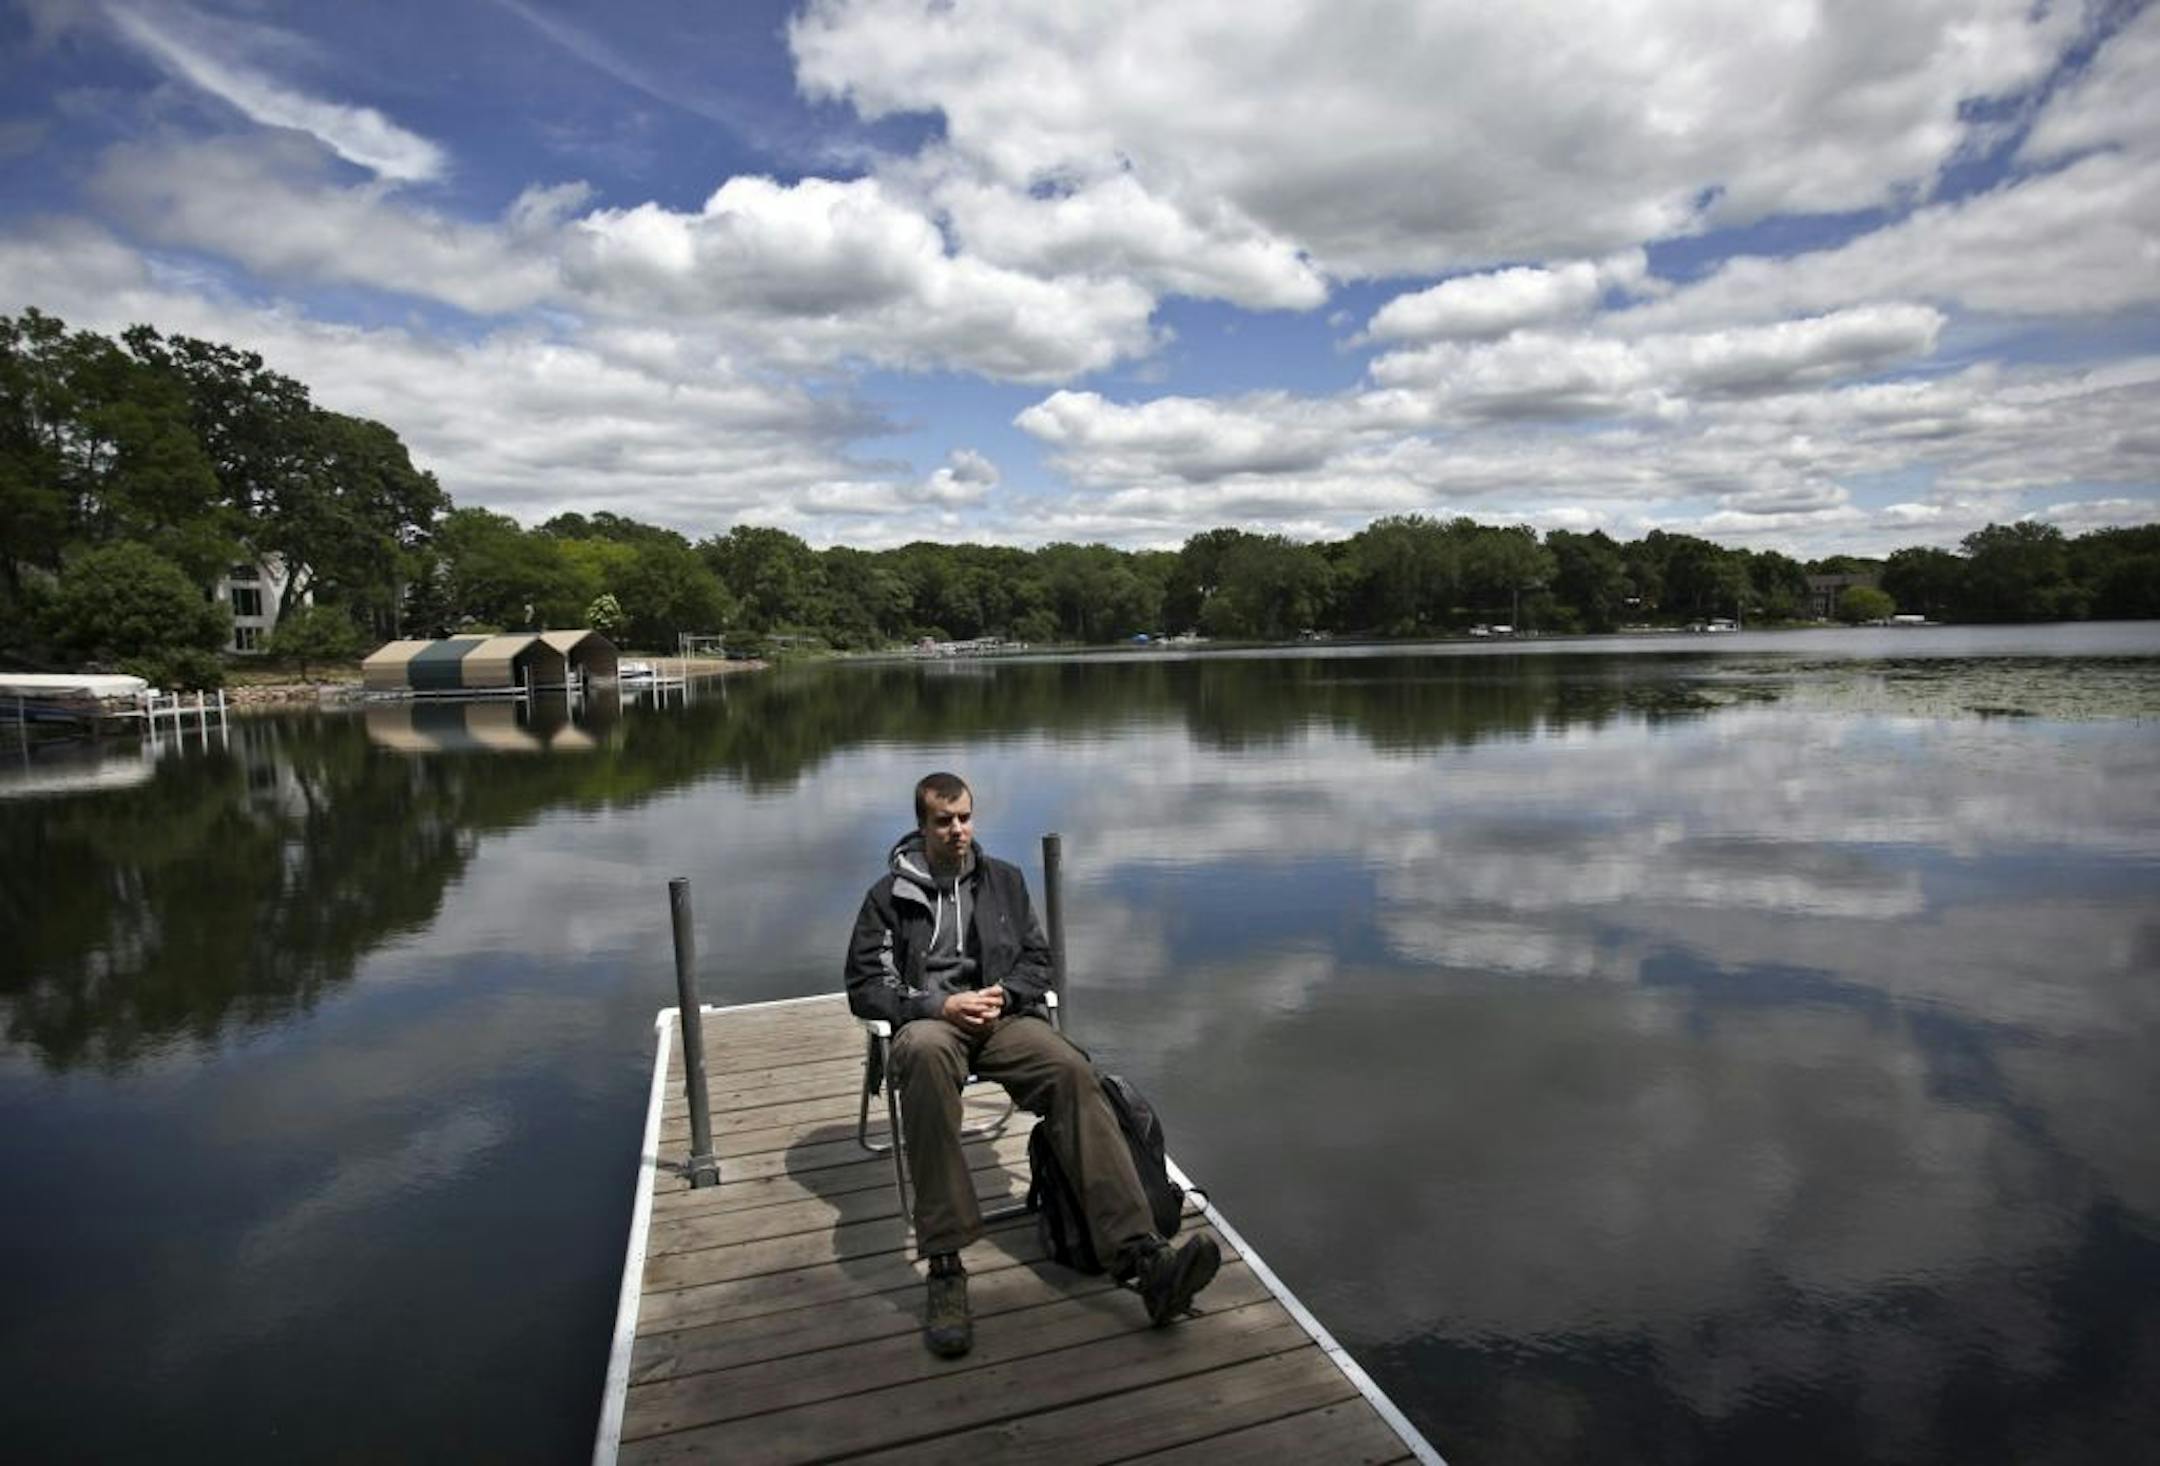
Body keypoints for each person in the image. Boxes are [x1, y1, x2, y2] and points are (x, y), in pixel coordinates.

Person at [844, 771, 1220, 1357]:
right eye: (944, 821)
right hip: (931, 1023)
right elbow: (866, 986)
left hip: (999, 1020)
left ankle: (1142, 1259)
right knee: (919, 1055)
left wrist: (1005, 995)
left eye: (965, 817)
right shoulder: (886, 898)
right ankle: (945, 1266)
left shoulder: (1005, 883)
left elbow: (1036, 964)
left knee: (1073, 1070)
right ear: (922, 827)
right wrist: (939, 1004)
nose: (958, 830)